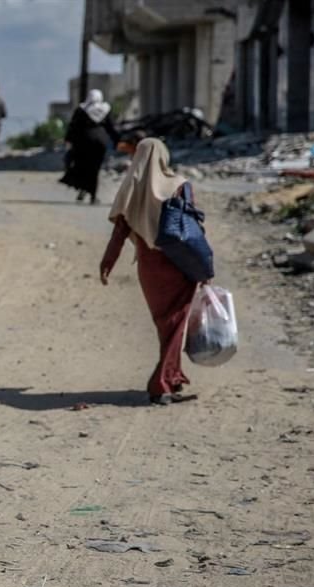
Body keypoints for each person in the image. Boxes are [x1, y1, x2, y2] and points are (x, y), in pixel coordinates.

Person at [98, 138, 199, 406]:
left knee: (167, 325)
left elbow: (119, 231)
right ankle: (160, 384)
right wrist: (204, 266)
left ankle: (173, 378)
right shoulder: (179, 185)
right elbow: (193, 229)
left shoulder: (131, 190)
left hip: (149, 268)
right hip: (177, 265)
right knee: (176, 323)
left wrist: (107, 262)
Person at [60, 89, 119, 204]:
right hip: (101, 142)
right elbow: (111, 127)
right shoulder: (105, 110)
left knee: (83, 166)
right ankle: (92, 195)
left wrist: (68, 140)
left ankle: (84, 189)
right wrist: (117, 140)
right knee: (95, 168)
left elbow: (73, 126)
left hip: (84, 142)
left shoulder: (82, 109)